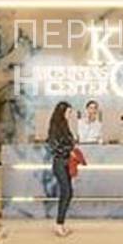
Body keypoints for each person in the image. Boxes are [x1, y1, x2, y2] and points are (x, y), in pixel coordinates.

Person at [47, 101, 76, 237]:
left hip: (66, 163)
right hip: (59, 163)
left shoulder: (64, 125)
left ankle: (61, 223)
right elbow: (54, 147)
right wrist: (69, 151)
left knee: (68, 193)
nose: (70, 114)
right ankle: (59, 224)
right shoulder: (54, 126)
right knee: (66, 192)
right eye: (68, 112)